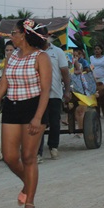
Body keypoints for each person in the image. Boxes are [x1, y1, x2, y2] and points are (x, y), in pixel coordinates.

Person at [0, 19, 52, 208]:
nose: (11, 35)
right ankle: (28, 184)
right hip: (12, 106)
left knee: (29, 157)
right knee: (9, 156)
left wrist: (38, 117)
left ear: (24, 35)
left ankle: (30, 201)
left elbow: (46, 90)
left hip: (34, 107)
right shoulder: (13, 55)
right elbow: (2, 85)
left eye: (14, 32)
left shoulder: (41, 57)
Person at [37, 31, 71, 162]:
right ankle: (38, 152)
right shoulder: (34, 52)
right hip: (37, 93)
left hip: (55, 92)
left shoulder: (57, 52)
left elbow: (65, 72)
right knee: (40, 122)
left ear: (47, 37)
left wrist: (67, 90)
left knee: (54, 121)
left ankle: (53, 147)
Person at [90, 44, 104, 117]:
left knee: (101, 95)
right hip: (94, 79)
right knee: (96, 96)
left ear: (101, 50)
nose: (97, 50)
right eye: (95, 49)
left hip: (103, 78)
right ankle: (97, 111)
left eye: (98, 49)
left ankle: (102, 108)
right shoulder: (91, 58)